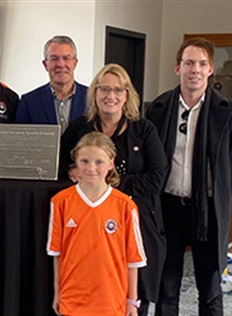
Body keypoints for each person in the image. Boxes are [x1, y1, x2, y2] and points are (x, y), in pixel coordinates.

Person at [61, 63, 168, 315]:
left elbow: (157, 176)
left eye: (118, 90)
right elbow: (59, 162)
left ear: (127, 95)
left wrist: (111, 185)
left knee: (134, 294)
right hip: (89, 226)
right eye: (105, 89)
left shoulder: (144, 129)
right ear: (95, 94)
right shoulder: (79, 128)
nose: (111, 96)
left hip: (136, 221)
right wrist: (70, 171)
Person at [146, 37, 232, 315]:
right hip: (168, 207)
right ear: (177, 68)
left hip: (207, 209)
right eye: (189, 63)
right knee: (166, 287)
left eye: (202, 63)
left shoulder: (226, 113)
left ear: (210, 70)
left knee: (210, 290)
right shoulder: (157, 110)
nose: (195, 69)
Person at [47, 132, 147, 316]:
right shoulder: (60, 202)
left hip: (111, 299)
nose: (91, 168)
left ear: (111, 163)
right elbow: (57, 254)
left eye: (99, 162)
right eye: (84, 161)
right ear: (75, 160)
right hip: (73, 298)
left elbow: (133, 259)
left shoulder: (125, 205)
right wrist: (57, 292)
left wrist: (132, 300)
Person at [15, 35, 87, 134]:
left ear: (75, 63)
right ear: (45, 64)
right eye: (54, 59)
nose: (61, 64)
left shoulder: (92, 98)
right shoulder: (29, 102)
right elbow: (21, 143)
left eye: (66, 58)